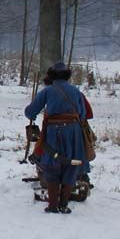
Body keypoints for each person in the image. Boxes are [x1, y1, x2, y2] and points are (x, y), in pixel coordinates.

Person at [25, 61, 90, 214]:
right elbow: (82, 114)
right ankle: (64, 204)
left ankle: (53, 205)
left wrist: (32, 113)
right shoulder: (76, 91)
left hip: (54, 132)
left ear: (52, 76)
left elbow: (30, 112)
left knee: (51, 164)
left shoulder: (48, 91)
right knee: (71, 164)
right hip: (73, 133)